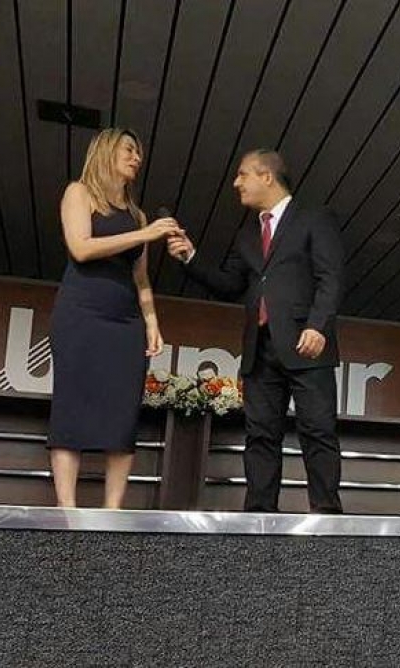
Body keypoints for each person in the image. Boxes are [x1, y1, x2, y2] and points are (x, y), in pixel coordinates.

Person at [166, 149, 344, 514]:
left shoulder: (314, 217)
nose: (236, 183)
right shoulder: (247, 233)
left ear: (267, 176)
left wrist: (318, 325)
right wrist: (191, 257)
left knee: (317, 431)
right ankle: (259, 516)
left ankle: (327, 515)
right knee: (261, 435)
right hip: (259, 348)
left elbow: (332, 277)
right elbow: (231, 284)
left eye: (242, 174)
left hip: (306, 342)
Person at [48, 128, 182, 508]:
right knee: (72, 404)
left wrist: (152, 322)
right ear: (107, 151)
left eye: (138, 152)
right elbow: (81, 247)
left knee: (123, 410)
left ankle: (112, 509)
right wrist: (146, 233)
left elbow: (140, 277)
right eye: (129, 149)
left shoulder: (137, 214)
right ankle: (66, 508)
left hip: (126, 322)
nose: (136, 157)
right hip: (81, 313)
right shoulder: (80, 192)